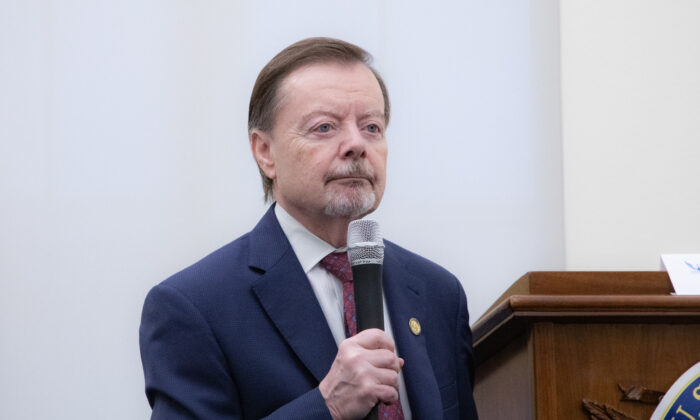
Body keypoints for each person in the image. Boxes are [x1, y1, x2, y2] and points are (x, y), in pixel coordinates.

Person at [139, 37, 479, 420]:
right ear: (265, 152)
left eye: (371, 126)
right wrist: (327, 405)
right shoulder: (193, 307)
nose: (355, 144)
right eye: (324, 127)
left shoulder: (438, 294)